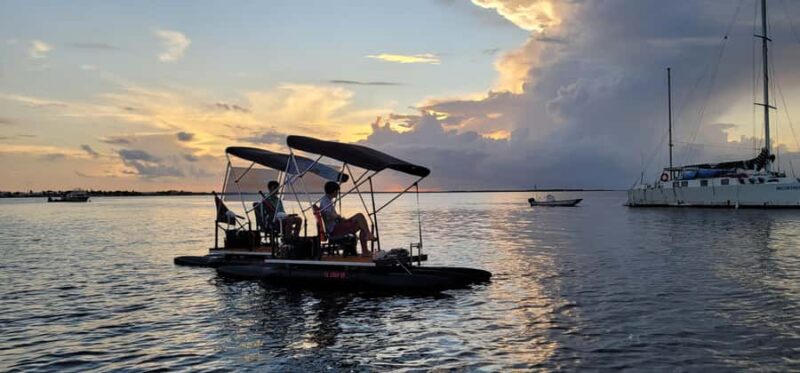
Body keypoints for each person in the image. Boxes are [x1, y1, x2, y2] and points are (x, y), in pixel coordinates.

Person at [319, 181, 375, 256]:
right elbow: (328, 215)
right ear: (334, 191)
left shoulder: (326, 200)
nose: (338, 193)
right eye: (337, 191)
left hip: (337, 226)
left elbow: (330, 215)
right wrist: (338, 217)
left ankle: (365, 249)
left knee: (361, 223)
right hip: (335, 230)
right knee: (360, 217)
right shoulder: (325, 201)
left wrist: (340, 218)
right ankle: (368, 236)